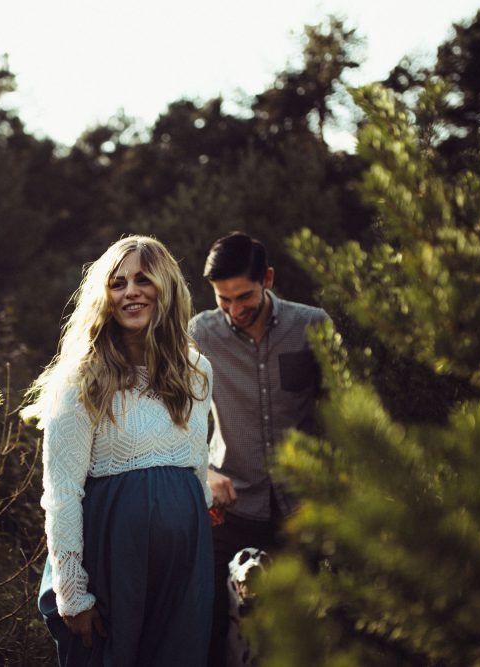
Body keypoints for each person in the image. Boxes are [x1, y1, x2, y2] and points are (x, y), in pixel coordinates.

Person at [28, 235, 215, 666]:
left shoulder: (197, 370)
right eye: (118, 283)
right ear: (104, 297)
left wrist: (197, 523)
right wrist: (72, 591)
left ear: (165, 288)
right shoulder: (80, 381)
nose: (131, 291)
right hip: (112, 555)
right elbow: (61, 491)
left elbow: (197, 457)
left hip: (186, 557)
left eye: (143, 279)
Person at [188, 232, 331, 667]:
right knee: (214, 626)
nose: (234, 310)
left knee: (296, 635)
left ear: (267, 278)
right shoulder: (200, 334)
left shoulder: (313, 326)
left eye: (244, 296)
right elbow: (178, 416)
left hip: (302, 508)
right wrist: (203, 471)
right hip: (229, 510)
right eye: (223, 299)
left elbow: (340, 412)